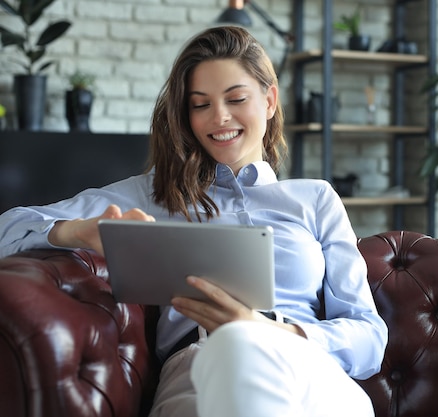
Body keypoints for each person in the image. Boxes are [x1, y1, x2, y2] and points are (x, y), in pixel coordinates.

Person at [0, 26, 387, 416]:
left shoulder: (316, 199)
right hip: (198, 367)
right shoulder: (151, 194)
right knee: (235, 347)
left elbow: (369, 336)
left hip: (310, 366)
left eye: (236, 99)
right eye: (200, 105)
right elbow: (8, 229)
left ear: (269, 101)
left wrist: (270, 330)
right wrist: (76, 231)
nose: (219, 118)